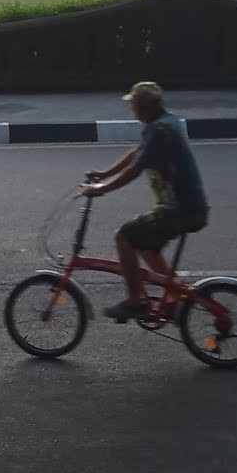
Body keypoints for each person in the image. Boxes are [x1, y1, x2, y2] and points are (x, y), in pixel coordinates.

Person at [81, 81, 209, 322]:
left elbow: (136, 168)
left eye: (134, 106)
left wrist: (101, 190)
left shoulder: (160, 131)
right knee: (146, 246)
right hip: (185, 207)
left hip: (180, 210)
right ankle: (175, 298)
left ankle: (136, 301)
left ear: (143, 108)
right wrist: (103, 175)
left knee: (124, 236)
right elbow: (137, 153)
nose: (132, 111)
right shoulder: (162, 125)